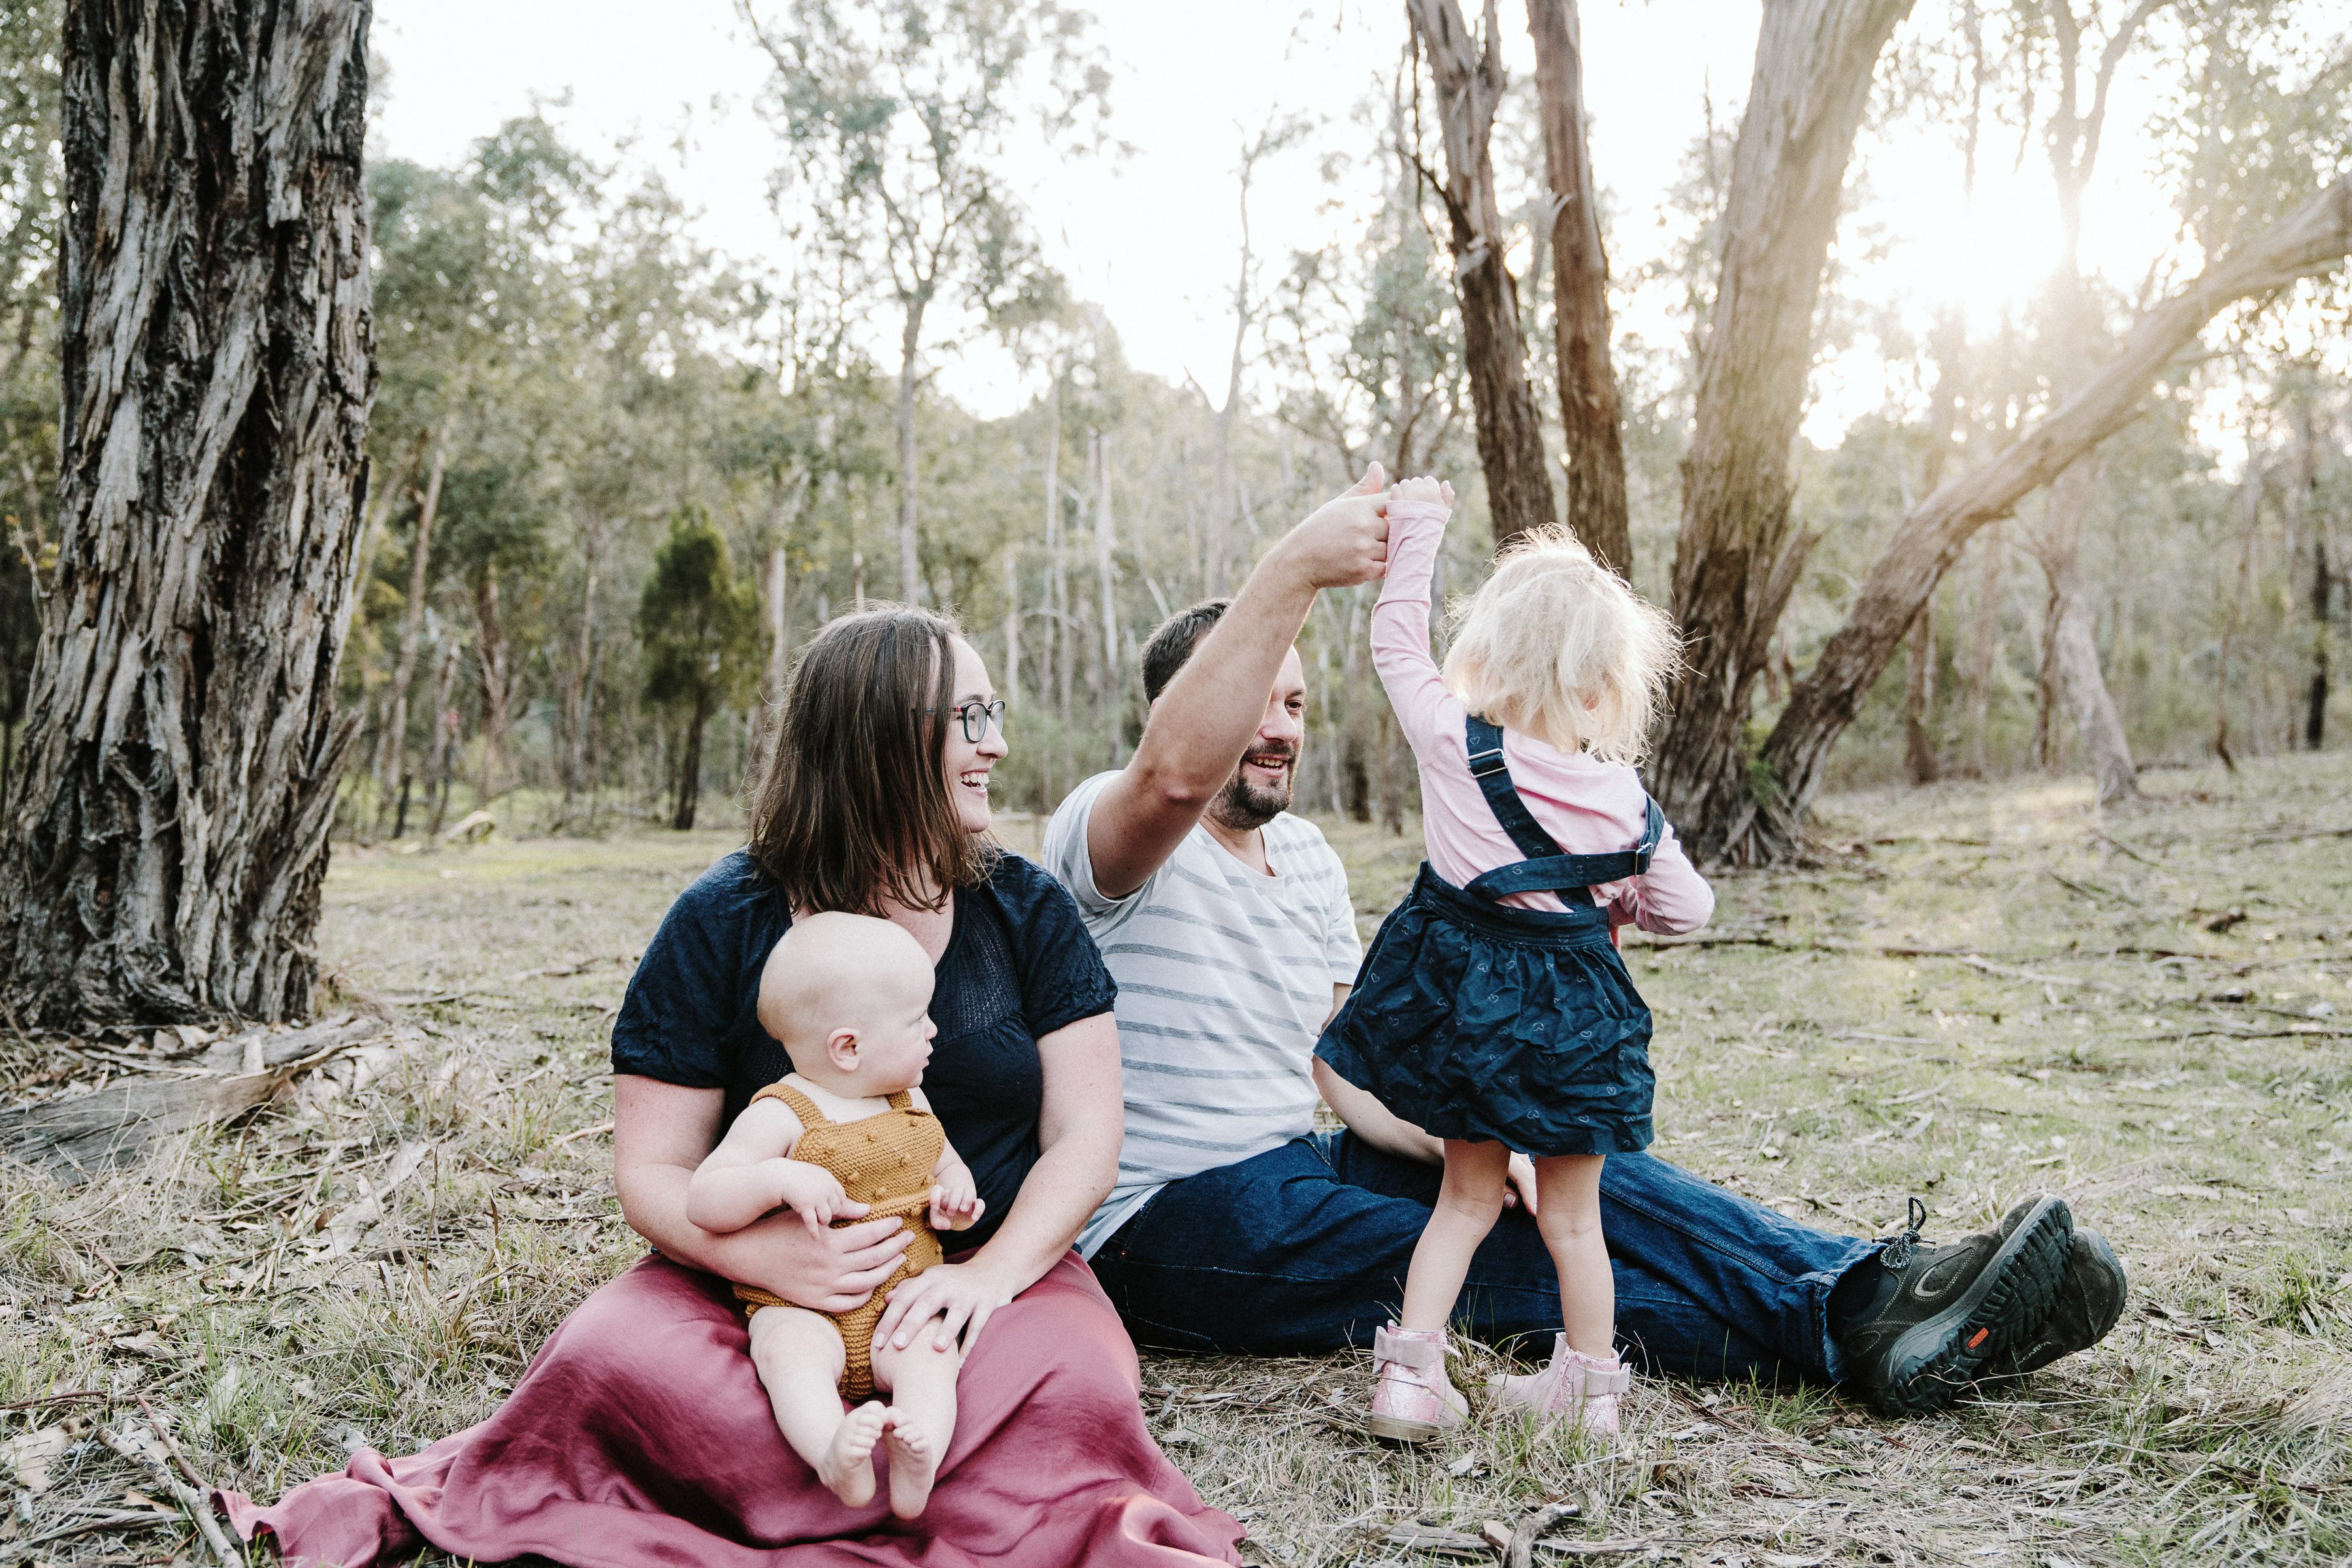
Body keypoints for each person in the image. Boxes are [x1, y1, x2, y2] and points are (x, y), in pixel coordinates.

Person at [1043, 465, 2125, 1420]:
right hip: (1171, 1221)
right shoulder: (1114, 829)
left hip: (1305, 1160)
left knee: (1586, 1182)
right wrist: (1293, 573)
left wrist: (1474, 1135)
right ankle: (1851, 1340)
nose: (1275, 726)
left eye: (1293, 700)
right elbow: (1173, 776)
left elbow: (1344, 1061)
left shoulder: (1316, 862)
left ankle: (1889, 1284)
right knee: (1508, 1262)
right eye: (1251, 700)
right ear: (1191, 706)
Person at [222, 608, 1243, 1568]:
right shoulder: (722, 918)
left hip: (983, 1278)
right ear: (880, 739)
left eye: (994, 714)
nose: (997, 745)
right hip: (748, 1290)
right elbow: (654, 1171)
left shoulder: (1026, 909)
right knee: (608, 1362)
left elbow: (1086, 1134)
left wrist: (987, 1278)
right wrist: (765, 1257)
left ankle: (874, 1470)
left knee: (1071, 1387)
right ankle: (861, 1475)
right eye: (970, 718)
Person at [1316, 480, 1714, 1443]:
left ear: (1485, 653)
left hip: (1467, 1015)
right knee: (1577, 1221)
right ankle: (1592, 1396)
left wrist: (1419, 529)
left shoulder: (1455, 743)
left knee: (1463, 1198)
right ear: (1603, 685)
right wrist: (1619, 896)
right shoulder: (1624, 801)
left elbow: (1393, 643)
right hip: (1579, 1021)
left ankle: (1410, 1380)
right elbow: (1689, 911)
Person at [686, 913, 985, 1518]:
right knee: (787, 1356)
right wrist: (776, 1178)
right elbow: (704, 1198)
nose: (934, 1030)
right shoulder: (783, 1112)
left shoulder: (911, 1101)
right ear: (848, 1047)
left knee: (932, 1356)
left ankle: (916, 1452)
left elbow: (946, 1166)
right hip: (804, 1306)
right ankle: (831, 1453)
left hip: (901, 1303)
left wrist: (956, 1200)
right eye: (916, 1021)